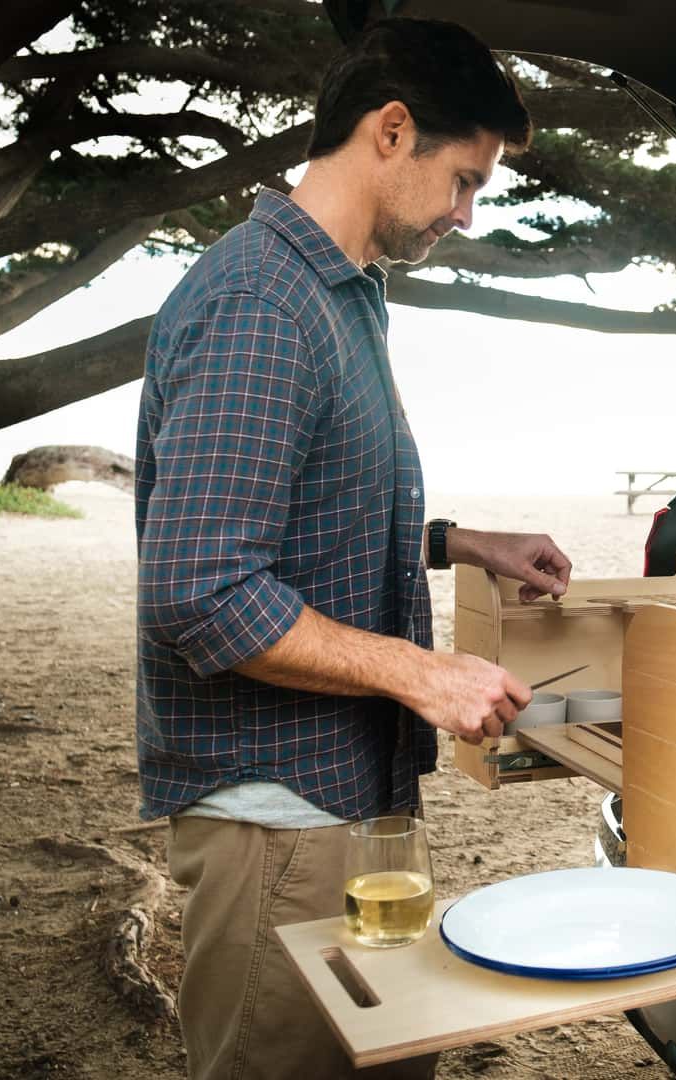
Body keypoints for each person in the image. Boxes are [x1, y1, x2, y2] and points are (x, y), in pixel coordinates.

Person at [133, 18, 571, 1079]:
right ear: (391, 130)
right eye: (464, 180)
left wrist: (461, 541)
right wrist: (422, 672)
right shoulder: (260, 303)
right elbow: (203, 589)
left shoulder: (336, 294)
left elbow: (293, 514)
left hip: (343, 797)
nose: (467, 215)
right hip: (279, 819)